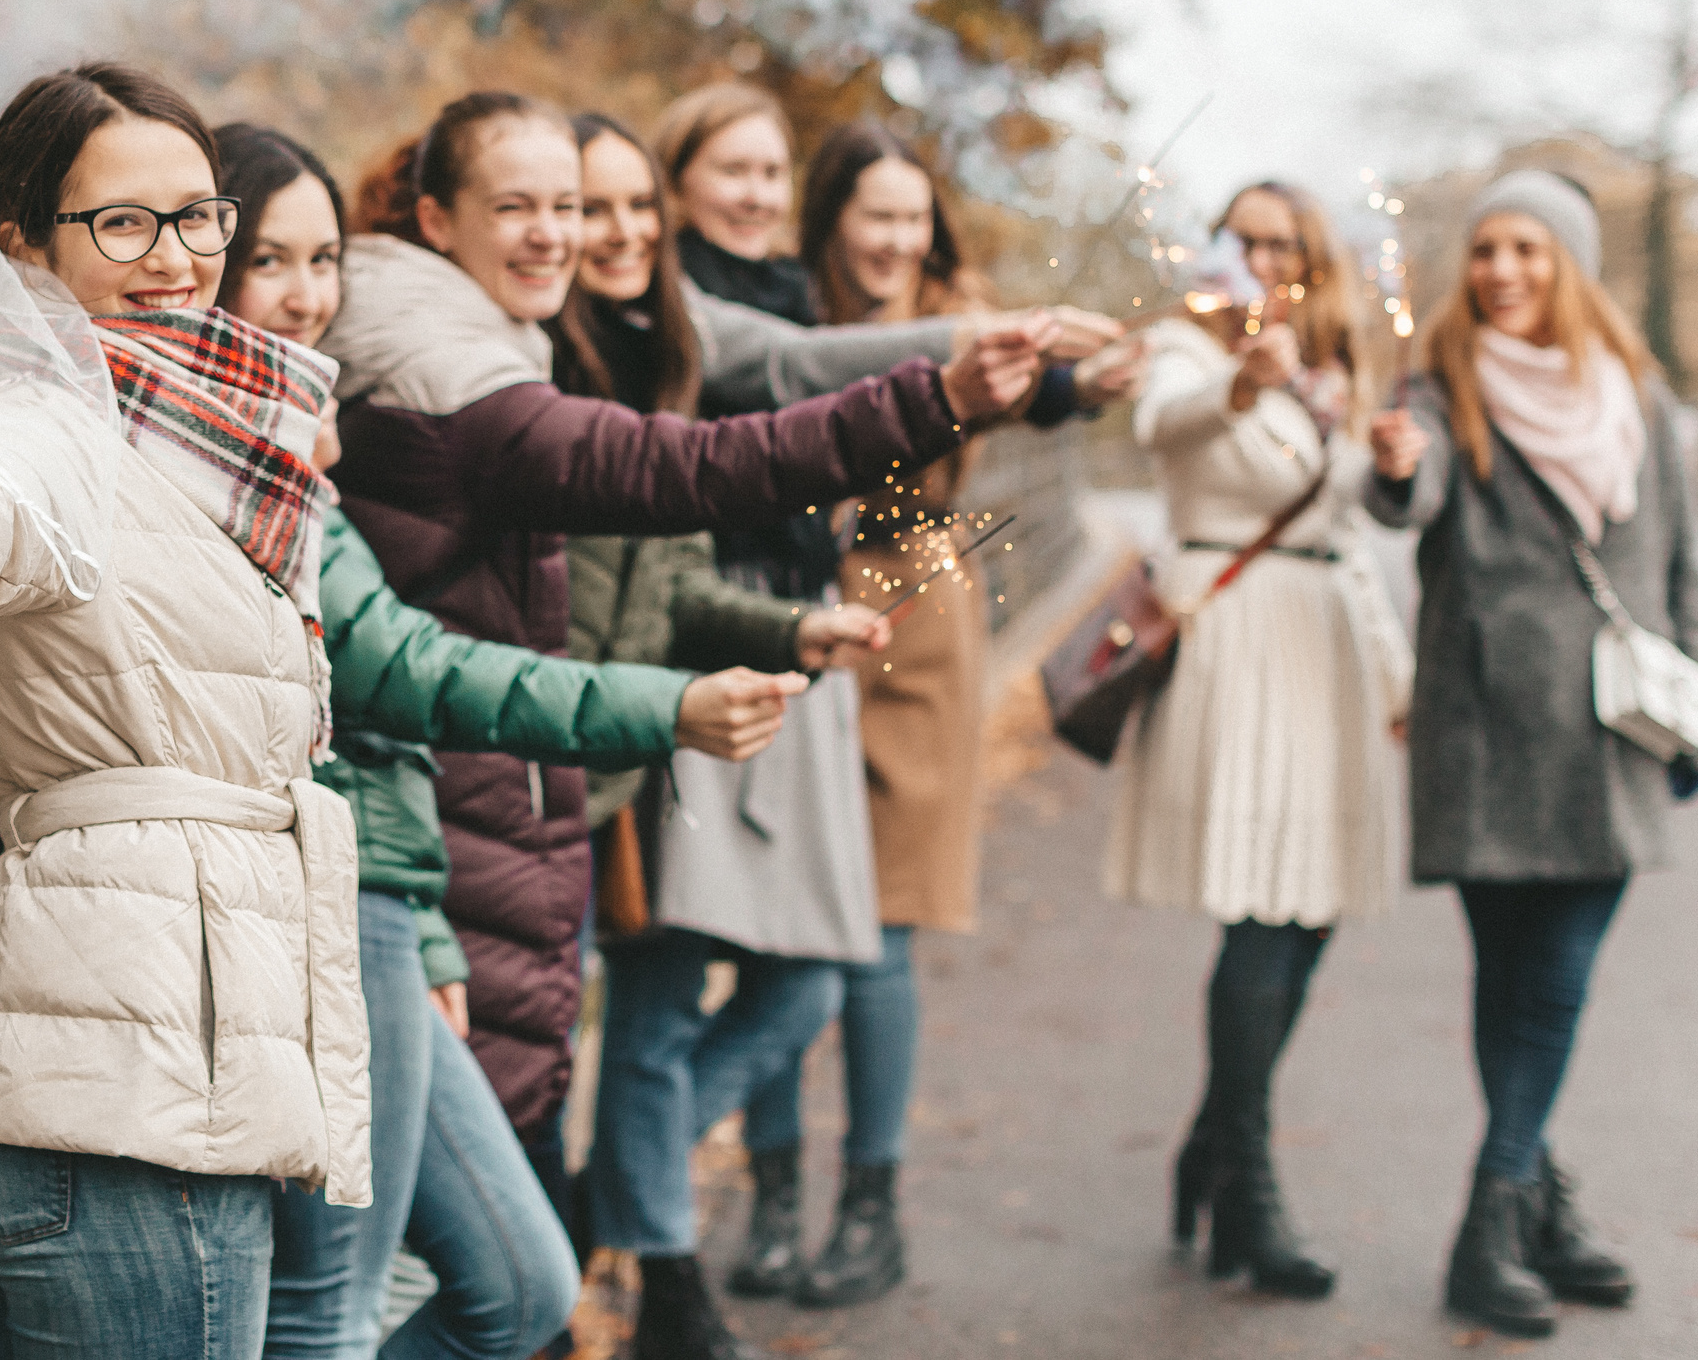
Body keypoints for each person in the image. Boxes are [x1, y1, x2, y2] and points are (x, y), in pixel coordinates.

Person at [317, 89, 1050, 1297]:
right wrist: (938, 397)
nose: (567, 233)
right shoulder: (464, 383)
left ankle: (641, 1238)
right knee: (469, 1274)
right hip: (490, 799)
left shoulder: (519, 344)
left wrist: (784, 627)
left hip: (525, 798)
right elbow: (690, 473)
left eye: (584, 206)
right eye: (531, 206)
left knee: (492, 1242)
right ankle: (650, 1249)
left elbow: (664, 550)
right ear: (437, 218)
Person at [205, 119, 808, 1359]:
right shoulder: (259, 447)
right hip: (331, 897)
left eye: (324, 261)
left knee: (521, 1288)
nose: (307, 294)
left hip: (408, 882)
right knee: (335, 1309)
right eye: (271, 261)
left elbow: (369, 722)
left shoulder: (310, 433)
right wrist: (668, 707)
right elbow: (394, 669)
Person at [0, 63, 369, 1358]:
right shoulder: (49, 417)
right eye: (121, 223)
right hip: (137, 1093)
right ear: (21, 249)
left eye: (198, 215)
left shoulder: (217, 424)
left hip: (83, 1062)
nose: (174, 258)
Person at [709, 122, 1141, 1311]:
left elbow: (1041, 389)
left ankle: (871, 1204)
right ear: (833, 225)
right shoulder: (789, 319)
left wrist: (1087, 382)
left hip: (915, 609)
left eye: (913, 219)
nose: (897, 241)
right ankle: (775, 1192)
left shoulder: (964, 311)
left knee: (882, 927)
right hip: (793, 606)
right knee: (782, 921)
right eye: (875, 219)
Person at [552, 112, 906, 1360]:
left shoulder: (684, 335)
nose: (624, 233)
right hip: (652, 704)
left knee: (802, 974)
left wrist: (802, 626)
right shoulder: (634, 339)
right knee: (656, 987)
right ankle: (664, 1276)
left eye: (631, 209)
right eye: (728, 172)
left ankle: (609, 1204)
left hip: (754, 661)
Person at [1365, 170, 1698, 1340]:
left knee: (1555, 978)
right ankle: (1537, 1206)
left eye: (1527, 250)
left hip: (1610, 729)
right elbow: (1400, 507)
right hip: (1483, 732)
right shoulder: (1439, 389)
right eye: (1485, 250)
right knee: (1510, 980)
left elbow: (1679, 571)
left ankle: (1494, 1220)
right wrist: (1392, 465)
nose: (1501, 271)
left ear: (1567, 265)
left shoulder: (1642, 406)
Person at [1101, 180, 1413, 1301]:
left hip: (1328, 643)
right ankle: (1250, 1181)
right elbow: (1161, 426)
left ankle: (1211, 1145)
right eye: (1250, 241)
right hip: (1235, 642)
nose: (1271, 261)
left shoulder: (1339, 372)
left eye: (1290, 244)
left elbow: (1353, 533)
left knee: (1311, 909)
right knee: (1261, 908)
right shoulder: (1181, 349)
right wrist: (1239, 382)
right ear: (1218, 251)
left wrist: (1391, 468)